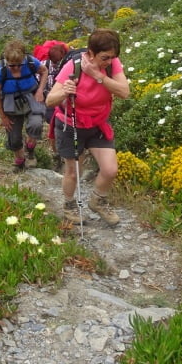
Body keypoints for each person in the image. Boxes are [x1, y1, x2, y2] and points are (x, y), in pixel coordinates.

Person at [45, 28, 130, 226]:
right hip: (71, 124)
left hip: (97, 122)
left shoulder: (111, 64)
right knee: (74, 172)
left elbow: (124, 92)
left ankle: (97, 200)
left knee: (110, 170)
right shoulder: (72, 67)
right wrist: (65, 92)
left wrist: (97, 74)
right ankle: (69, 205)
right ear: (90, 53)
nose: (109, 61)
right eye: (104, 57)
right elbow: (50, 101)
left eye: (112, 57)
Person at [0, 39, 48, 171]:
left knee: (36, 124)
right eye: (12, 65)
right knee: (14, 137)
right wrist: (3, 117)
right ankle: (20, 160)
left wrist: (40, 91)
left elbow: (44, 71)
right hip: (10, 102)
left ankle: (30, 149)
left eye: (19, 64)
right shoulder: (0, 71)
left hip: (31, 97)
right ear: (6, 61)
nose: (15, 68)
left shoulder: (31, 62)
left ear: (23, 59)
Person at [42, 43, 68, 160]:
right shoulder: (44, 65)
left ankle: (61, 150)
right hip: (50, 101)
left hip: (64, 101)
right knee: (52, 124)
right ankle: (56, 152)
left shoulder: (69, 65)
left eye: (58, 61)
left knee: (60, 125)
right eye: (54, 62)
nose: (56, 64)